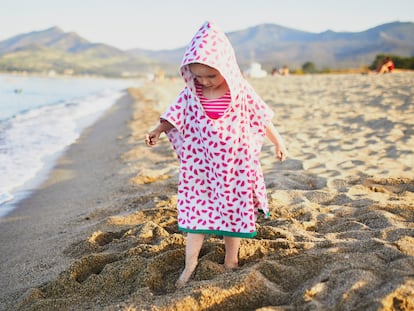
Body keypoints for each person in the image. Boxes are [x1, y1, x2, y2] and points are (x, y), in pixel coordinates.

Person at [145, 21, 288, 288]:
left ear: (226, 68)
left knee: (233, 213)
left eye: (211, 76)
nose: (205, 82)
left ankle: (231, 260)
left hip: (235, 167)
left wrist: (278, 142)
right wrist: (157, 129)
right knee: (196, 214)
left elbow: (262, 118)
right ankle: (190, 265)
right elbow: (174, 116)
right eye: (198, 76)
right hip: (201, 167)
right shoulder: (191, 93)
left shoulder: (241, 91)